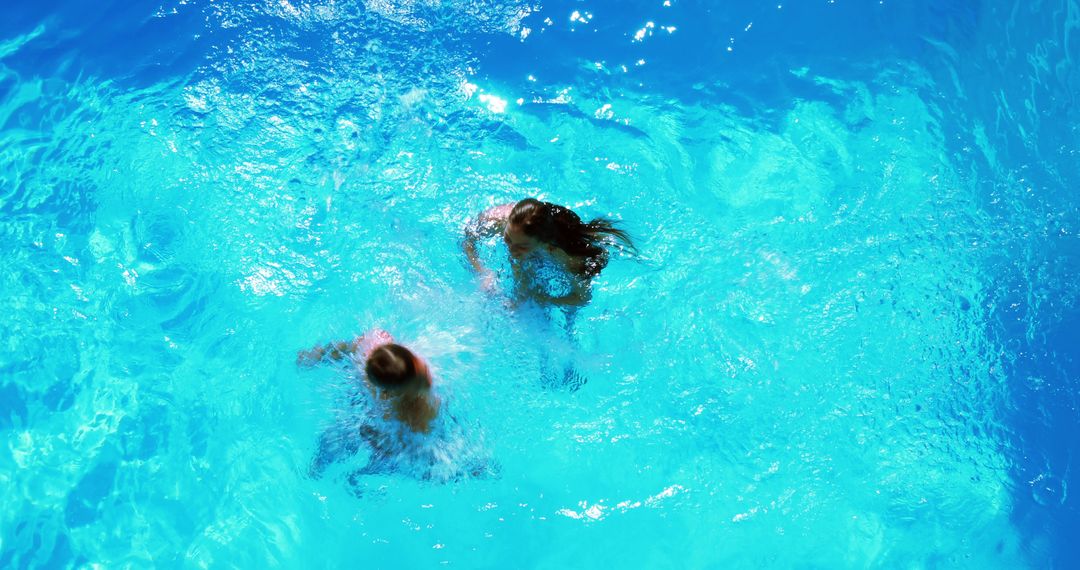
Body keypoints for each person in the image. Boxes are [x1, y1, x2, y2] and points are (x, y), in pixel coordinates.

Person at [463, 198, 635, 306]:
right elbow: (468, 238)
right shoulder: (500, 219)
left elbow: (582, 298)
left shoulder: (568, 258)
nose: (511, 249)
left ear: (546, 245)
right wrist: (483, 271)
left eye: (521, 246)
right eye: (507, 238)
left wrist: (543, 298)